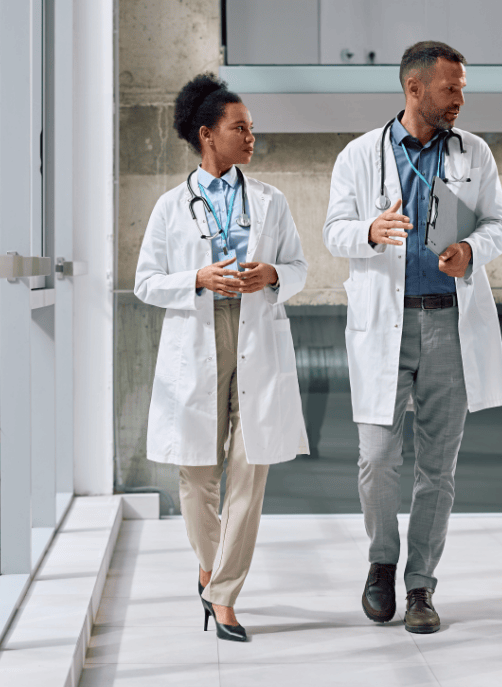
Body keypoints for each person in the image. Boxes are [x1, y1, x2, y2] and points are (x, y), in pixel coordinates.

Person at [323, 41, 502, 634]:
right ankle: (382, 561)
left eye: (462, 87)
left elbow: (498, 226)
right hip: (385, 321)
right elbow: (333, 232)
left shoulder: (474, 153)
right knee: (377, 457)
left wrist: (470, 251)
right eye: (450, 87)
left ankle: (421, 585)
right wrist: (371, 232)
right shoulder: (359, 156)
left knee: (439, 466)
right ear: (415, 89)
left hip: (447, 322)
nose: (460, 98)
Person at [134, 73, 309, 642]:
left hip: (254, 330)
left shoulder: (270, 201)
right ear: (208, 136)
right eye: (240, 128)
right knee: (196, 471)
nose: (250, 136)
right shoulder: (169, 207)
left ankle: (225, 595)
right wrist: (198, 278)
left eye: (251, 128)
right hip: (197, 332)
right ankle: (210, 570)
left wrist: (274, 273)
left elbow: (300, 269)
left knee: (250, 467)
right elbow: (145, 284)